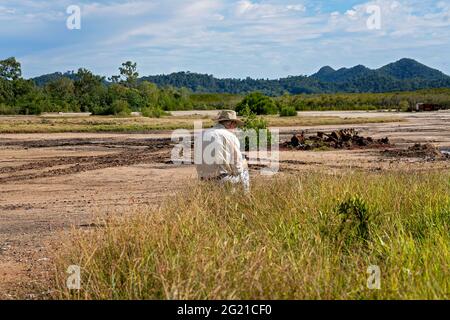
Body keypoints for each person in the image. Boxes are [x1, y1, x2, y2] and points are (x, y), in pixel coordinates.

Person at [195, 110, 250, 192]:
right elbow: (237, 167)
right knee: (244, 167)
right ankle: (246, 197)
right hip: (223, 180)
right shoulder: (230, 136)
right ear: (231, 124)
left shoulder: (201, 135)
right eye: (235, 125)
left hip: (204, 180)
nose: (235, 128)